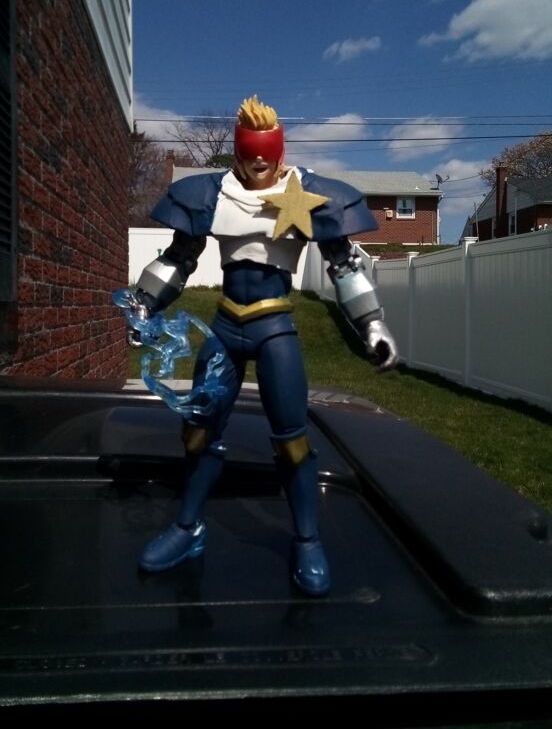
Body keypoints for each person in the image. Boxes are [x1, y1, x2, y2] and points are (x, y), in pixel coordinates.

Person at [131, 95, 397, 596]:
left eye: (266, 154)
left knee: (292, 440)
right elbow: (179, 257)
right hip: (225, 326)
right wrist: (145, 302)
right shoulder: (212, 194)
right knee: (197, 432)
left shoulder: (310, 196)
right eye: (249, 153)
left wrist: (372, 324)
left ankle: (307, 539)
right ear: (236, 151)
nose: (258, 164)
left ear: (280, 152)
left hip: (274, 327)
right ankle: (188, 528)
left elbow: (344, 266)